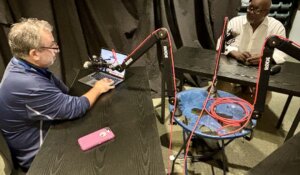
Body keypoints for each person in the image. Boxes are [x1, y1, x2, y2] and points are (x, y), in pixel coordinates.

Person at [0, 18, 115, 170]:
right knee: (108, 152)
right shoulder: (28, 84)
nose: (57, 49)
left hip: (51, 132)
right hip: (42, 157)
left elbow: (63, 91)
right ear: (34, 53)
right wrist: (98, 88)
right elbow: (74, 108)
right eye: (52, 46)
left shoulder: (20, 63)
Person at [225, 0, 288, 65]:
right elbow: (221, 43)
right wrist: (233, 52)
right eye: (250, 8)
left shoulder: (276, 27)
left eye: (257, 10)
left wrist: (264, 58)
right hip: (234, 65)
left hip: (261, 69)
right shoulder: (235, 22)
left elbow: (282, 53)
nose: (251, 12)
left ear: (266, 13)